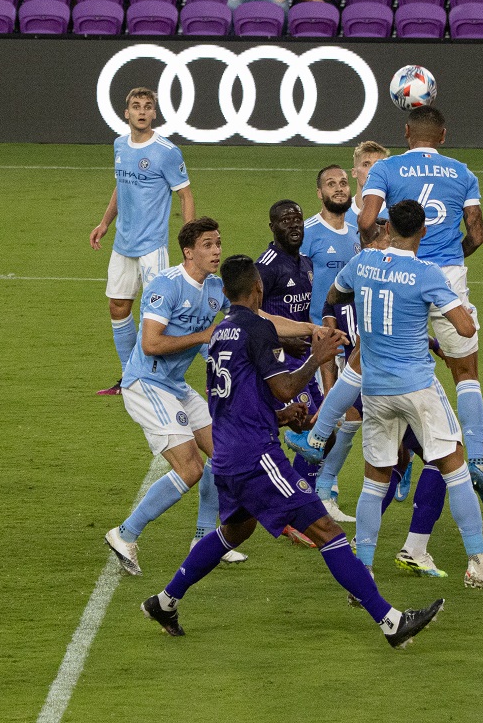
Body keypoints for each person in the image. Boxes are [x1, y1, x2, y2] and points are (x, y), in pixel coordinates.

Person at [140, 254, 445, 649]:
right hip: (256, 458)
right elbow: (284, 386)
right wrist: (316, 361)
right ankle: (391, 622)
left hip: (229, 454)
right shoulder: (257, 327)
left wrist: (282, 416)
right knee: (327, 531)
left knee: (236, 529)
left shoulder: (220, 334)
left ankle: (164, 601)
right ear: (258, 289)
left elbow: (237, 398)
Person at [328, 200, 483, 594]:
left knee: (375, 480)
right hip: (416, 389)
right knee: (455, 468)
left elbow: (335, 295)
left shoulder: (362, 263)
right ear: (423, 232)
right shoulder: (427, 273)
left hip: (374, 389)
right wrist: (457, 307)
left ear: (388, 225)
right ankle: (478, 564)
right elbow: (463, 329)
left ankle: (364, 571)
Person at [357, 106, 483, 514]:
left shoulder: (386, 168)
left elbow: (368, 219)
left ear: (406, 133)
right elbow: (476, 231)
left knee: (371, 361)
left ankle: (322, 442)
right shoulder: (463, 172)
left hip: (397, 271)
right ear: (442, 136)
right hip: (446, 278)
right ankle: (473, 458)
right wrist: (451, 259)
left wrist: (381, 251)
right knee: (465, 372)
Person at [104, 218, 246, 575]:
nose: (216, 251)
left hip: (175, 385)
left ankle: (203, 540)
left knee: (224, 453)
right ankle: (124, 534)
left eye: (218, 244)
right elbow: (151, 344)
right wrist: (203, 338)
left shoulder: (215, 288)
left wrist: (307, 330)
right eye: (208, 245)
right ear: (189, 251)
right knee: (190, 468)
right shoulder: (165, 285)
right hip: (146, 384)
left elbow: (249, 321)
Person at [256, 196, 355, 525]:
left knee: (321, 436)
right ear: (272, 227)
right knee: (314, 433)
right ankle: (302, 505)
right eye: (285, 221)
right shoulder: (267, 266)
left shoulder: (305, 264)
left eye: (297, 219)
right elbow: (248, 313)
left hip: (299, 359)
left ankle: (304, 505)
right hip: (275, 363)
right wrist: (287, 338)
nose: (294, 225)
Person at [89, 87, 194, 397]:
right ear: (127, 113)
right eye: (136, 106)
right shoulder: (120, 145)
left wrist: (190, 244)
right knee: (118, 306)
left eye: (148, 106)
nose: (142, 111)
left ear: (154, 114)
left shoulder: (166, 151)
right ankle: (128, 377)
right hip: (122, 244)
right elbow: (120, 185)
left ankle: (158, 377)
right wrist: (105, 222)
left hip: (152, 247)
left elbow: (185, 194)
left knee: (156, 316)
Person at [298, 168, 362, 520]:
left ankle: (323, 489)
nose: (338, 189)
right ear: (319, 193)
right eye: (330, 185)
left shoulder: (357, 233)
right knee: (326, 414)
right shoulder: (308, 233)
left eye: (342, 183)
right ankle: (311, 492)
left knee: (349, 419)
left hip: (349, 338)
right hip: (319, 339)